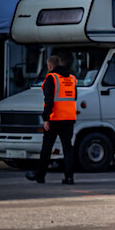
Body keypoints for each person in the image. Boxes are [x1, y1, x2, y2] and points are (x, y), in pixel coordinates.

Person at [26, 54, 77, 184]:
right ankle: (69, 177)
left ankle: (40, 175)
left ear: (49, 66)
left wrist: (46, 118)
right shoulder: (72, 78)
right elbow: (74, 97)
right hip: (69, 118)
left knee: (47, 148)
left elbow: (49, 100)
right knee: (67, 148)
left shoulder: (51, 78)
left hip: (54, 119)